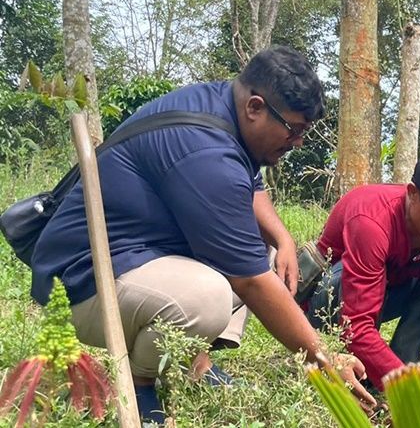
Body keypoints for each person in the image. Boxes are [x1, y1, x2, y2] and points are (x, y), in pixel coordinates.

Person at [31, 46, 375, 424]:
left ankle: (195, 363)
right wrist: (326, 358)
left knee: (254, 246)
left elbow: (250, 184)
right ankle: (139, 382)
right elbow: (252, 283)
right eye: (294, 130)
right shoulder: (206, 154)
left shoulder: (221, 103)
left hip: (133, 257)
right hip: (81, 283)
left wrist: (283, 239)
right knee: (209, 295)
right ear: (256, 107)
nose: (298, 143)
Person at [306, 146, 420, 390]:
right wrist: (409, 390)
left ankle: (404, 353)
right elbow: (358, 324)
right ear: (412, 194)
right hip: (332, 305)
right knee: (343, 290)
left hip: (390, 289)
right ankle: (361, 366)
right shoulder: (371, 220)